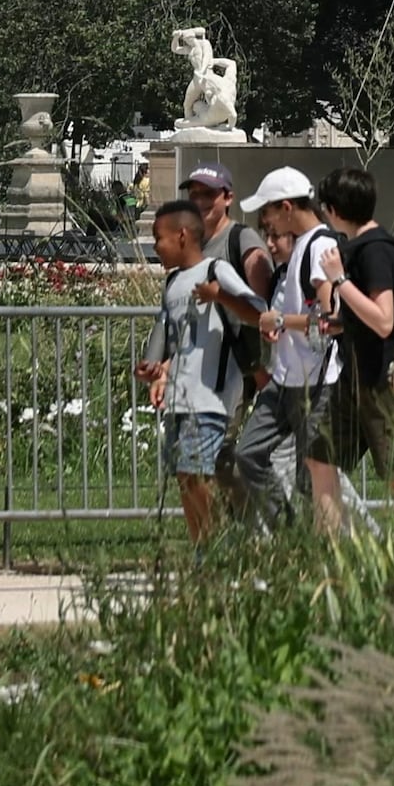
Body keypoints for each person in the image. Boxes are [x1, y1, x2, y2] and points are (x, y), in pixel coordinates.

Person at [321, 168, 394, 531]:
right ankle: (330, 552)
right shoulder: (364, 248)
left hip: (386, 380)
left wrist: (339, 279)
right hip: (359, 375)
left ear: (335, 209)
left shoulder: (375, 252)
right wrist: (340, 323)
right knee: (319, 457)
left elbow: (384, 320)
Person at [242, 166, 349, 528]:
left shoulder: (319, 246)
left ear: (286, 208)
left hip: (314, 384)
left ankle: (327, 556)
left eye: (268, 213)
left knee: (314, 479)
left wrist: (281, 322)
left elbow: (331, 320)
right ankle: (290, 534)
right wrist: (283, 323)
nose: (267, 224)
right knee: (250, 455)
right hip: (287, 378)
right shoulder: (305, 246)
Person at [137, 193, 235, 545]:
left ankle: (223, 542)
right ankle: (203, 550)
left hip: (208, 395)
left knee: (196, 473)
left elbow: (255, 310)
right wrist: (159, 370)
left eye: (158, 238)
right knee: (183, 476)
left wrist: (220, 296)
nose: (155, 247)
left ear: (181, 236)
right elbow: (171, 335)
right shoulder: (172, 283)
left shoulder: (216, 271)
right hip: (179, 395)